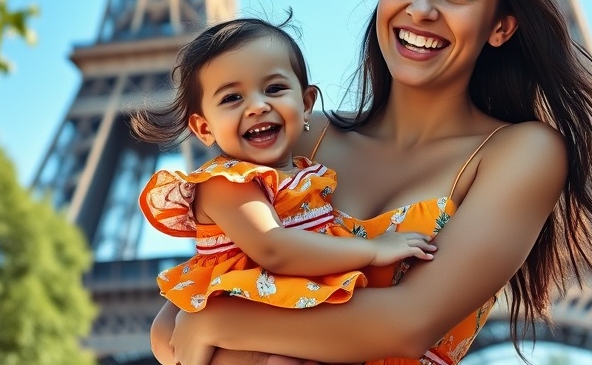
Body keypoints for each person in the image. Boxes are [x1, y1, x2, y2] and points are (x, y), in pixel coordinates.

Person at [153, 0, 592, 365]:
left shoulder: (521, 152)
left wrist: (217, 324)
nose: (421, 8)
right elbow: (183, 306)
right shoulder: (294, 132)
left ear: (501, 26)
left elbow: (405, 326)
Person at [131, 18, 437, 316]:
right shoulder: (223, 183)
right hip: (250, 314)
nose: (257, 106)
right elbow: (274, 248)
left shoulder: (308, 174)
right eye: (232, 97)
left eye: (274, 89)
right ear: (204, 128)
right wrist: (373, 250)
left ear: (306, 104)